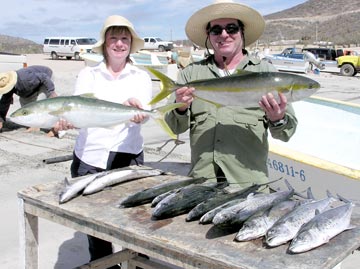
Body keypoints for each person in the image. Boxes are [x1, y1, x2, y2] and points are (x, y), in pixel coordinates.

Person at [165, 0, 298, 189]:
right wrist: (180, 107)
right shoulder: (190, 74)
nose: (224, 35)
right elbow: (174, 127)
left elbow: (285, 134)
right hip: (201, 184)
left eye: (231, 28)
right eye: (216, 30)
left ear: (242, 32)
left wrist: (278, 119)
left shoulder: (266, 72)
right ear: (208, 36)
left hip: (249, 188)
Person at [55, 15, 152, 268]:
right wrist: (65, 122)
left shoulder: (140, 77)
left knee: (134, 218)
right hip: (90, 156)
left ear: (131, 44)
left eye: (124, 39)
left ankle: (138, 263)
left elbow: (145, 115)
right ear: (105, 43)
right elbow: (77, 111)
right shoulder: (89, 74)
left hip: (127, 154)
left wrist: (139, 113)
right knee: (95, 224)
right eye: (114, 38)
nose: (119, 44)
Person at [0, 65, 57, 133]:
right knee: (27, 111)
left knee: (40, 105)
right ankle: (34, 125)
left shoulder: (25, 79)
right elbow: (4, 103)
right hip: (28, 89)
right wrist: (1, 120)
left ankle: (52, 129)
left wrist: (51, 92)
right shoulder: (8, 86)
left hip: (45, 79)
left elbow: (44, 77)